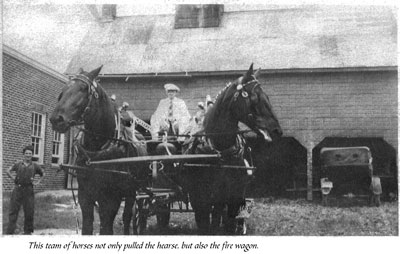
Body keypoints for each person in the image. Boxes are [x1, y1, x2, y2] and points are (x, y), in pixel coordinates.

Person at [6, 145, 44, 235]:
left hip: (29, 190)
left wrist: (37, 182)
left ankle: (27, 231)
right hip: (18, 189)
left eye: (30, 153)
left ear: (32, 155)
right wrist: (13, 178)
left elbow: (43, 174)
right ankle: (10, 231)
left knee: (29, 211)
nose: (28, 155)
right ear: (23, 154)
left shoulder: (35, 166)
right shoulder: (18, 164)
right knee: (13, 210)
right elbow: (8, 171)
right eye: (26, 153)